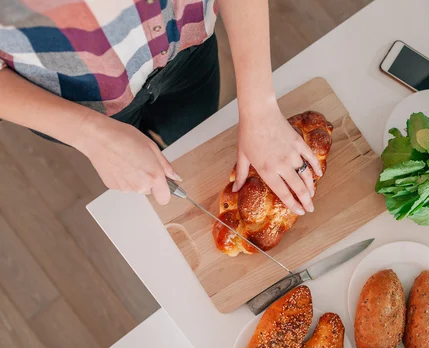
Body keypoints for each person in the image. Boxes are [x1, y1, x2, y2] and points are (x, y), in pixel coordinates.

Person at [0, 0, 320, 215]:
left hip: (188, 46)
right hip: (74, 98)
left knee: (196, 138)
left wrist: (260, 108)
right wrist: (91, 136)